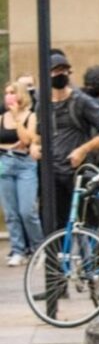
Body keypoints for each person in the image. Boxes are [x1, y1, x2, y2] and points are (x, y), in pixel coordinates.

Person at [37, 52, 99, 232]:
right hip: (52, 173)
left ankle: (92, 259)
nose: (60, 75)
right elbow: (37, 134)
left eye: (64, 70)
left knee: (87, 222)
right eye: (55, 71)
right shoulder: (42, 104)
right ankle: (54, 260)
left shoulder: (82, 102)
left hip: (78, 171)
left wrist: (83, 150)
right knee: (54, 226)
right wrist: (34, 146)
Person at [0, 82, 43, 265]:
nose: (9, 96)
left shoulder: (30, 116)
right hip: (4, 163)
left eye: (12, 92)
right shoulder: (1, 118)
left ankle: (38, 247)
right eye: (6, 93)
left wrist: (18, 118)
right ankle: (18, 249)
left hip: (24, 164)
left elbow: (26, 140)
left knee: (27, 210)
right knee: (11, 212)